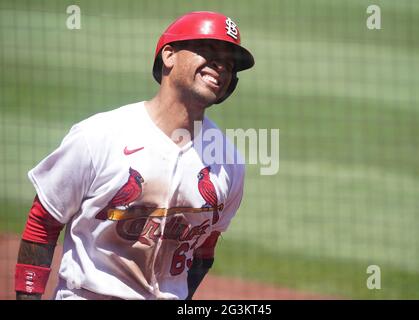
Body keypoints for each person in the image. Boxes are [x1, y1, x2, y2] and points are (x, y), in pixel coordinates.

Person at [15, 11, 254, 300]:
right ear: (169, 55)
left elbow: (205, 247)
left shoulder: (228, 163)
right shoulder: (100, 136)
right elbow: (44, 221)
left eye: (229, 63)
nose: (221, 66)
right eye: (208, 51)